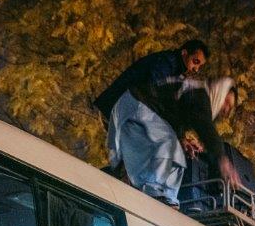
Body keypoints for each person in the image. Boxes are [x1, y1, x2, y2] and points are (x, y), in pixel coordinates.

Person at [98, 43, 243, 204]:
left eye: (229, 108)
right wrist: (222, 159)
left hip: (143, 111)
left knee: (177, 153)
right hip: (136, 104)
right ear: (220, 93)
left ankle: (166, 196)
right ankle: (155, 191)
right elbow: (205, 127)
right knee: (167, 143)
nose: (226, 109)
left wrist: (182, 139)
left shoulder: (193, 97)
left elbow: (174, 118)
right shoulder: (199, 93)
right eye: (226, 103)